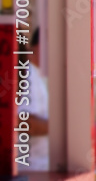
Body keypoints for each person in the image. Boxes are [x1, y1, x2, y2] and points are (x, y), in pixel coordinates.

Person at [25, 29, 49, 171]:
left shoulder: (36, 73)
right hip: (31, 169)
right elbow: (24, 122)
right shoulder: (28, 73)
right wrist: (62, 127)